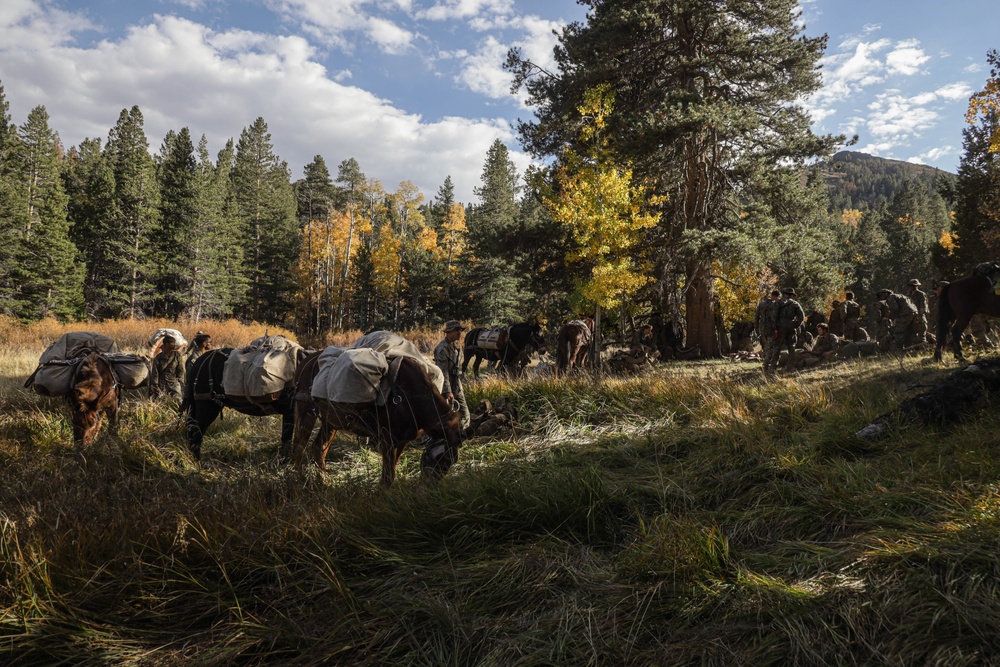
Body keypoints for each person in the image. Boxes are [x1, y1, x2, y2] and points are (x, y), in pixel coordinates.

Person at [434, 320, 471, 431]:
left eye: (460, 331)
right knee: (446, 415)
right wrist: (448, 391)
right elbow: (442, 372)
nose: (459, 333)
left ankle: (461, 435)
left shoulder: (455, 347)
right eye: (456, 331)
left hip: (456, 384)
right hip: (446, 387)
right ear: (449, 332)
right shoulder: (442, 349)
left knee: (464, 413)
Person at [770, 287, 804, 370]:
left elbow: (773, 317)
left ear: (784, 294)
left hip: (780, 327)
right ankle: (790, 366)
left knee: (777, 347)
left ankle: (773, 366)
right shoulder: (796, 304)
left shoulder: (777, 303)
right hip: (791, 327)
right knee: (791, 347)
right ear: (792, 295)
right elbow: (802, 317)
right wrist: (796, 325)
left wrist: (775, 327)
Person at [877, 288, 918, 352]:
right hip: (914, 313)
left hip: (905, 314)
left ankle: (897, 351)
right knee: (910, 332)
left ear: (886, 293)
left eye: (881, 295)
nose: (881, 297)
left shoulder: (890, 297)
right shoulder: (900, 296)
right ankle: (910, 349)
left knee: (898, 333)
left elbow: (894, 308)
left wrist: (889, 317)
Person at [150, 335, 185, 400]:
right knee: (161, 401)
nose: (174, 344)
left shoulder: (177, 355)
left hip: (174, 384)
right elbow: (155, 373)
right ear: (166, 344)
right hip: (162, 384)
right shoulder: (158, 358)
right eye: (172, 343)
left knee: (178, 401)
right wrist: (155, 385)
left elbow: (180, 370)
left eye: (174, 342)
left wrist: (180, 382)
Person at [757, 289, 781, 372]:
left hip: (762, 329)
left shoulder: (762, 304)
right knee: (772, 347)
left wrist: (757, 328)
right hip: (771, 329)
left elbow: (756, 317)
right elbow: (774, 318)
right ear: (777, 296)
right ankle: (768, 365)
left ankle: (766, 364)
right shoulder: (774, 305)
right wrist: (776, 329)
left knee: (766, 347)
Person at [907, 279, 928, 343]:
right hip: (911, 316)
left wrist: (921, 314)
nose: (910, 287)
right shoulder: (908, 295)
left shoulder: (921, 294)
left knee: (921, 329)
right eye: (910, 285)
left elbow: (923, 305)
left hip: (919, 315)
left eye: (912, 286)